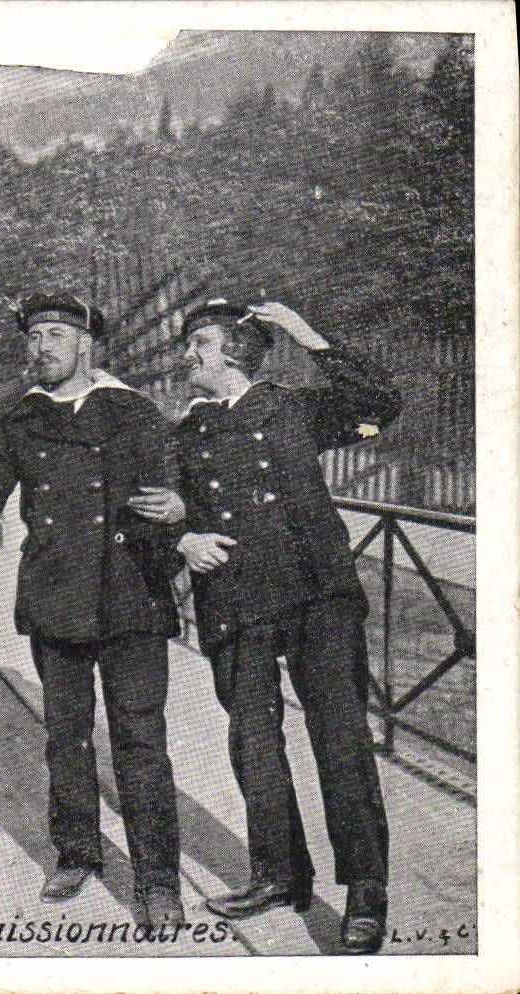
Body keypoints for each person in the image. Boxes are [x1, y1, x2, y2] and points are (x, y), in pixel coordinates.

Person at [0, 292, 186, 931]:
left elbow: (181, 491)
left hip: (131, 597)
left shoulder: (134, 411)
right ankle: (77, 851)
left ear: (86, 343)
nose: (41, 348)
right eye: (33, 337)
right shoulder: (21, 420)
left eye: (56, 336)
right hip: (56, 596)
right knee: (66, 734)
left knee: (141, 740)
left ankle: (157, 880)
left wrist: (181, 513)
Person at [145, 300, 399, 954]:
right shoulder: (183, 432)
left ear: (232, 350)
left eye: (196, 344)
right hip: (234, 600)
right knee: (252, 742)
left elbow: (379, 403)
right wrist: (182, 538)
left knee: (339, 738)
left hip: (315, 596)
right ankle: (278, 874)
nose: (186, 357)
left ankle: (365, 889)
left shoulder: (294, 408)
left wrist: (302, 332)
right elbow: (147, 511)